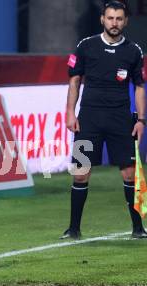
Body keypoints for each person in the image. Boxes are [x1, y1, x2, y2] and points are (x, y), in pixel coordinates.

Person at [61, 0, 146, 240]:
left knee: (129, 173)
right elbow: (74, 81)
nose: (114, 23)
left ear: (125, 21)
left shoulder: (133, 50)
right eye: (110, 18)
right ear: (102, 19)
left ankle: (138, 229)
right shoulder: (86, 46)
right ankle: (73, 229)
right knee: (80, 172)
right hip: (89, 118)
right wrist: (70, 112)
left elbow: (139, 87)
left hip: (121, 119)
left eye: (119, 19)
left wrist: (141, 120)